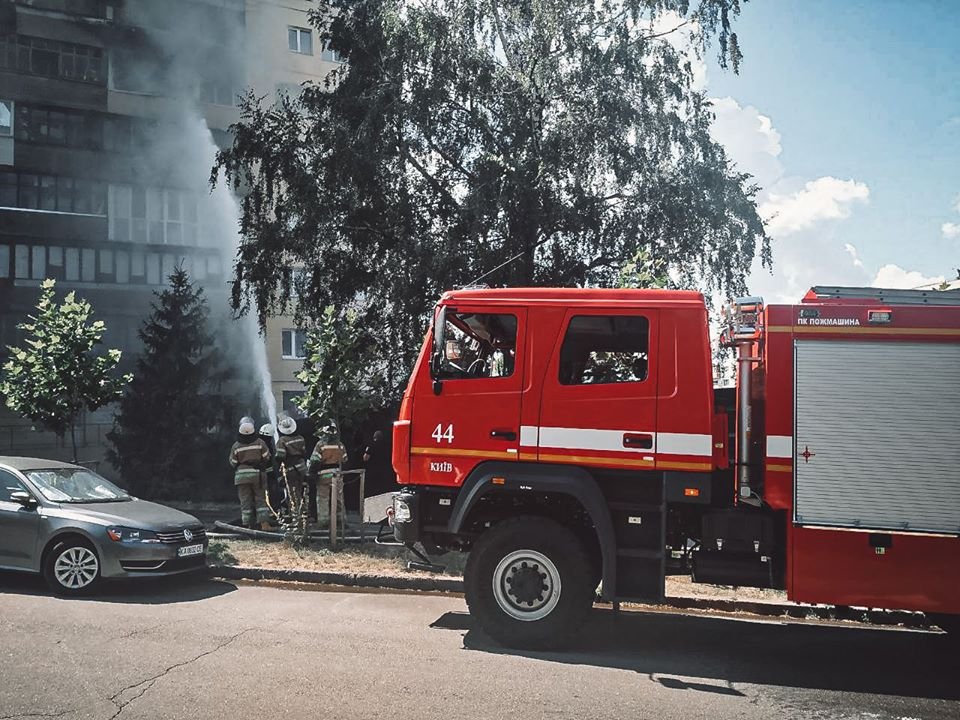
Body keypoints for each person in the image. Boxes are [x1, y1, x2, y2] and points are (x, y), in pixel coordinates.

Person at [228, 416, 272, 530]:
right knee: (260, 499)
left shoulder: (236, 446)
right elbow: (267, 457)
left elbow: (233, 462)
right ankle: (264, 525)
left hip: (241, 476)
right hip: (257, 475)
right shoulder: (260, 442)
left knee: (245, 501)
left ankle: (247, 525)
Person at [307, 420, 347, 528]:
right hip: (337, 475)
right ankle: (341, 521)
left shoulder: (320, 444)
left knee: (323, 499)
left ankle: (323, 522)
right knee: (339, 498)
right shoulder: (340, 444)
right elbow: (345, 459)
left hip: (323, 475)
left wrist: (311, 473)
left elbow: (315, 460)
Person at [275, 415, 308, 516]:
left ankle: (295, 514)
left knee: (292, 492)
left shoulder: (282, 440)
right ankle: (304, 512)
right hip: (302, 467)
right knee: (303, 490)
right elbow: (304, 452)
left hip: (290, 469)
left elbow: (280, 456)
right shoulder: (300, 438)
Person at [259, 422, 278, 513]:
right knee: (270, 491)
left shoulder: (257, 441)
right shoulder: (266, 444)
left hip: (257, 472)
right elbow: (268, 459)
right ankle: (272, 510)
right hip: (265, 472)